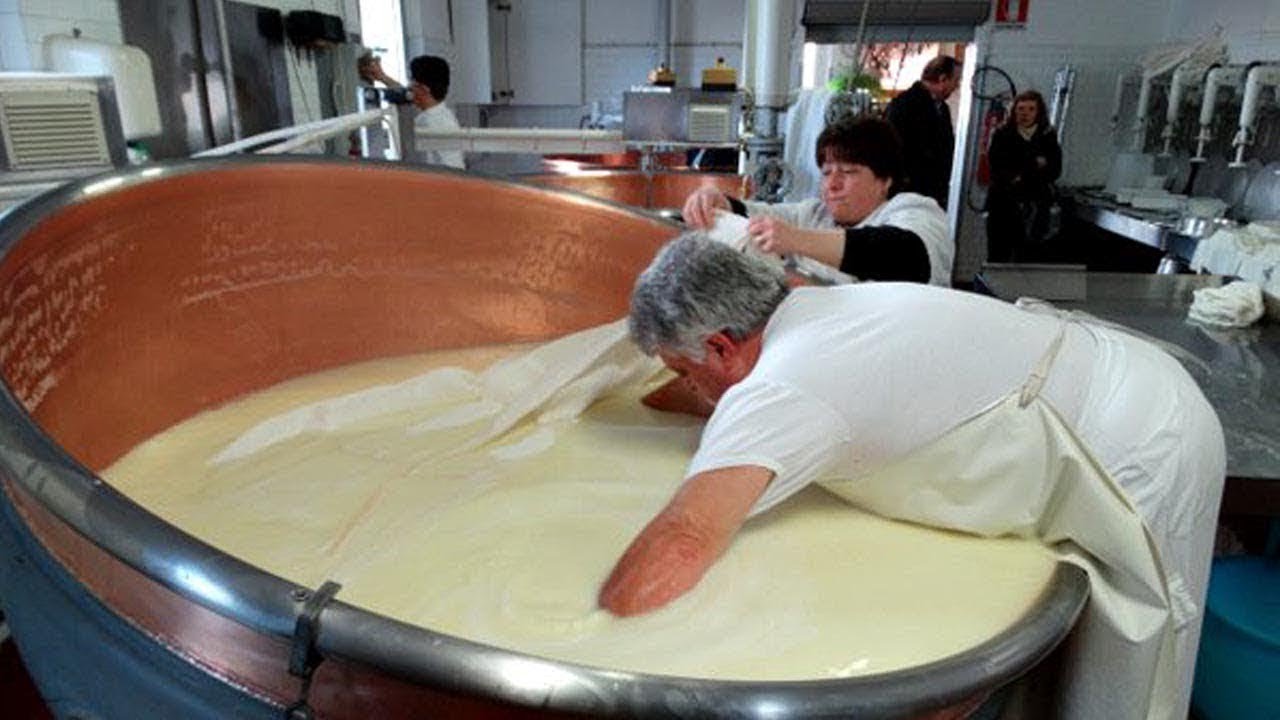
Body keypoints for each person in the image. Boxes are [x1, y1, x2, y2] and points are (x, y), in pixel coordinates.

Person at [598, 233, 1225, 720]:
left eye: (684, 370)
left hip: (1139, 446)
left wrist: (596, 642)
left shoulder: (780, 388)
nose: (687, 388)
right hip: (1110, 381)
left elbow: (681, 544)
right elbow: (713, 399)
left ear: (719, 346)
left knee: (1121, 680)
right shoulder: (808, 306)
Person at [681, 116, 952, 287]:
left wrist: (796, 240)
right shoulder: (814, 214)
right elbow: (755, 214)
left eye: (848, 172)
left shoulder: (915, 209)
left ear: (886, 180)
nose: (832, 185)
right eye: (826, 173)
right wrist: (721, 204)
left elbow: (907, 255)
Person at [985, 90, 1063, 262]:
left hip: (1035, 206)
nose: (1025, 114)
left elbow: (1054, 170)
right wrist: (1035, 165)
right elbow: (997, 167)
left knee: (1029, 255)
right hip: (1003, 204)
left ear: (1039, 112)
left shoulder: (1047, 136)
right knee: (998, 254)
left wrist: (1022, 171)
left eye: (1031, 109)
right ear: (1014, 111)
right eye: (1020, 109)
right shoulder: (1002, 134)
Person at [885, 55, 961, 209]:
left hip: (933, 193)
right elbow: (893, 149)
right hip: (910, 193)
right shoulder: (904, 105)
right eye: (956, 80)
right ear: (942, 79)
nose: (957, 86)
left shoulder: (942, 109)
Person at [408, 55, 465, 170]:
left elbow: (454, 168)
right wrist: (383, 77)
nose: (409, 87)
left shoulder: (439, 122)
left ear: (424, 89)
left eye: (411, 82)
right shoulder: (438, 114)